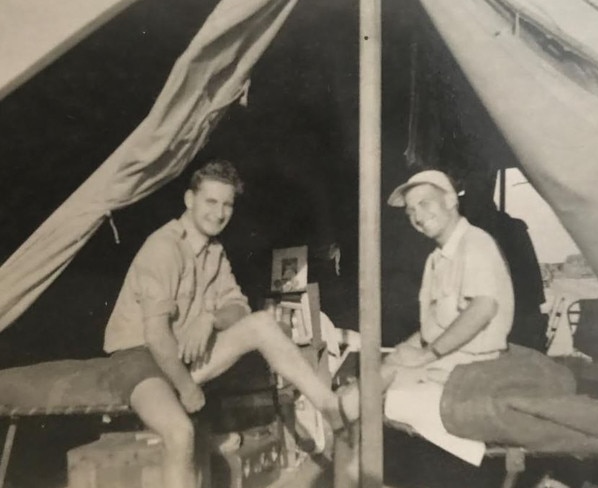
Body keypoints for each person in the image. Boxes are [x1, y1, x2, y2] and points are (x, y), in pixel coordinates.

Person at [103, 160, 356, 488]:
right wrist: (186, 387)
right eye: (211, 202)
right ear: (189, 200)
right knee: (180, 433)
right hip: (140, 358)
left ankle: (329, 406)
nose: (219, 213)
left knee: (263, 323)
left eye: (227, 205)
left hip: (178, 355)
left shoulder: (214, 252)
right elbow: (155, 335)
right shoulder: (164, 248)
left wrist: (210, 318)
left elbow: (238, 308)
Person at [384, 169, 514, 385]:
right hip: (450, 359)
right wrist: (409, 347)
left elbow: (483, 308)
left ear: (451, 200)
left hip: (474, 366)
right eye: (411, 211)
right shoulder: (437, 258)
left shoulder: (475, 243)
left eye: (425, 204)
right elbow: (436, 323)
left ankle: (331, 408)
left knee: (377, 386)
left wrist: (426, 355)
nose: (418, 217)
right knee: (383, 367)